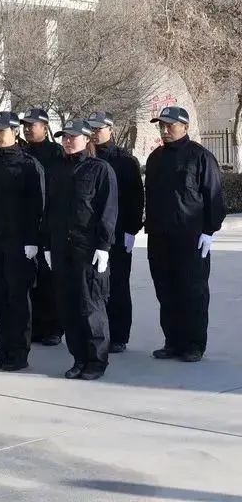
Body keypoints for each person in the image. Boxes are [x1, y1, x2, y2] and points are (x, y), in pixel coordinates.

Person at [144, 106, 226, 363]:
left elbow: (213, 196)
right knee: (165, 291)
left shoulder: (200, 157)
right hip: (160, 236)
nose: (165, 130)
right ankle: (173, 341)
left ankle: (193, 344)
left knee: (192, 291)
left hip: (190, 238)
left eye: (170, 125)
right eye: (161, 126)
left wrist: (209, 231)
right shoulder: (156, 158)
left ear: (185, 127)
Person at [44, 119, 118, 381]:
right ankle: (78, 358)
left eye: (73, 137)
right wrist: (47, 245)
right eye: (64, 137)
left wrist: (104, 246)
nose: (67, 141)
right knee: (68, 307)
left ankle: (96, 361)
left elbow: (108, 210)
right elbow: (49, 210)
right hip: (61, 248)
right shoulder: (57, 170)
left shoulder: (100, 169)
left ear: (87, 139)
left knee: (91, 307)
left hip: (88, 249)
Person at [0, 112, 45, 372]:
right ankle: (3, 349)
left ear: (15, 132)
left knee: (18, 299)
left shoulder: (28, 165)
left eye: (2, 130)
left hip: (19, 244)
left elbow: (38, 206)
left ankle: (19, 352)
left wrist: (33, 240)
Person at [87, 111, 145, 353]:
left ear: (111, 129)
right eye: (91, 129)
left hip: (118, 233)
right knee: (93, 287)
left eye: (99, 129)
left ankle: (119, 335)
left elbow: (135, 198)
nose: (94, 133)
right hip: (89, 235)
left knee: (117, 285)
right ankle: (96, 333)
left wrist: (132, 230)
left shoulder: (125, 161)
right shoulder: (83, 157)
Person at [20, 107, 64, 347]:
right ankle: (34, 325)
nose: (27, 129)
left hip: (48, 222)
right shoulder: (22, 152)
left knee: (49, 278)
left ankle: (53, 327)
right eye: (25, 125)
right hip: (26, 222)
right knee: (29, 279)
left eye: (32, 125)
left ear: (45, 127)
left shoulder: (56, 153)